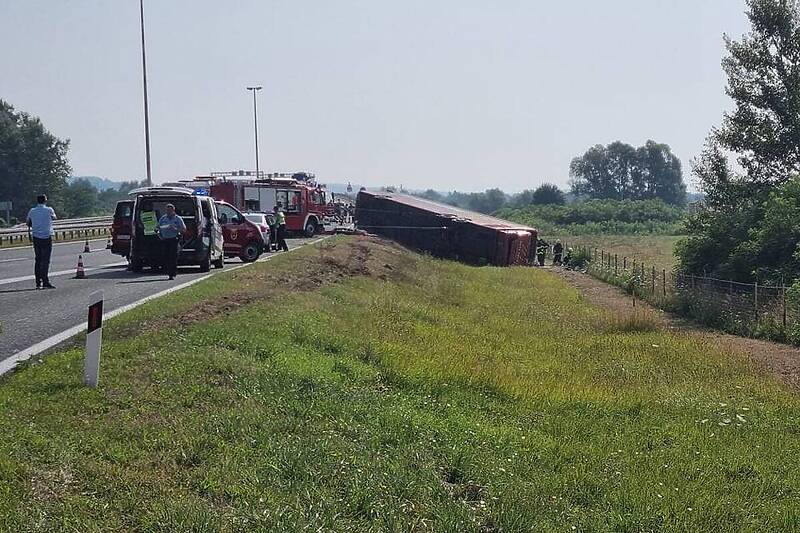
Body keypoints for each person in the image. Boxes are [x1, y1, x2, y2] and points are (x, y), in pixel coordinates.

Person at [26, 194, 57, 289]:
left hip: (36, 237)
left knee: (38, 259)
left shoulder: (32, 211)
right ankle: (45, 281)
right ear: (45, 201)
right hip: (46, 236)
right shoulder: (49, 210)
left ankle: (38, 282)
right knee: (46, 260)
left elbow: (27, 222)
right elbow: (54, 217)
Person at [156, 203, 186, 280]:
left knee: (173, 257)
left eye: (170, 210)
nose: (168, 211)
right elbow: (157, 228)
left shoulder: (178, 219)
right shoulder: (163, 218)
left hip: (174, 239)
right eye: (167, 210)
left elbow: (184, 230)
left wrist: (175, 228)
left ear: (173, 210)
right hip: (165, 239)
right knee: (166, 256)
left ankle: (172, 273)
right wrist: (160, 235)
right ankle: (167, 270)